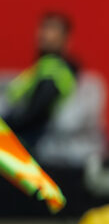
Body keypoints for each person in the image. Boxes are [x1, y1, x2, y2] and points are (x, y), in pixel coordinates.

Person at [3, 12, 78, 153]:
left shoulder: (56, 71)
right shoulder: (40, 68)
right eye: (44, 28)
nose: (45, 34)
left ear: (65, 38)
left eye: (53, 29)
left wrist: (6, 127)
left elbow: (35, 114)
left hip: (30, 143)